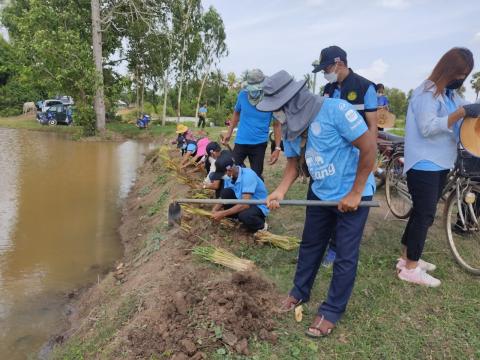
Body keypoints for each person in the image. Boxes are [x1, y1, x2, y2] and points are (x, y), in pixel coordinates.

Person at [259, 70, 376, 337]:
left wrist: (356, 192)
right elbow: (292, 164)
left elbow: (369, 147)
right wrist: (280, 190)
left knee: (345, 254)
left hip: (352, 192)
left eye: (278, 109)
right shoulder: (291, 125)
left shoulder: (336, 110)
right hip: (321, 191)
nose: (276, 115)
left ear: (293, 100)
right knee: (311, 244)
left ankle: (332, 310)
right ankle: (299, 292)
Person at [397, 47, 479, 287]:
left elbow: (467, 110)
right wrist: (460, 114)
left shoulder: (450, 96)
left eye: (465, 75)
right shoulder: (427, 92)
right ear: (448, 69)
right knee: (425, 215)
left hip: (441, 162)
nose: (461, 79)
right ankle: (411, 269)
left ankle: (406, 258)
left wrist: (469, 110)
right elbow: (427, 127)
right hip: (424, 163)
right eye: (459, 74)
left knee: (420, 212)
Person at [312, 45, 378, 267]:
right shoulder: (328, 89)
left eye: (326, 68)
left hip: (355, 157)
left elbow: (372, 126)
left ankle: (337, 249)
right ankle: (327, 244)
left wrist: (371, 157)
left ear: (339, 63)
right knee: (327, 202)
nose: (324, 73)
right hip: (332, 159)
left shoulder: (365, 87)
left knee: (348, 203)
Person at [222, 69, 282, 178]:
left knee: (256, 176)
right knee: (232, 172)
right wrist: (229, 133)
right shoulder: (242, 95)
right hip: (241, 141)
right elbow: (236, 114)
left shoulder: (271, 99)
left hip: (259, 144)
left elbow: (277, 124)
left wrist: (277, 148)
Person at [210, 151, 269, 232]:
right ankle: (236, 218)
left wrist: (223, 213)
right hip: (241, 200)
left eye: (222, 174)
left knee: (244, 215)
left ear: (229, 170)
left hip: (256, 204)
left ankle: (261, 226)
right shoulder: (229, 177)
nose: (221, 177)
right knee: (225, 193)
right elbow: (223, 197)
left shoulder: (248, 175)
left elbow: (245, 205)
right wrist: (214, 210)